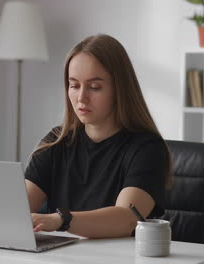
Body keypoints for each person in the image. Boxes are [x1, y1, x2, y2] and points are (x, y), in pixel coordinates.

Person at [24, 34, 172, 239]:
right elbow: (17, 209)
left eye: (94, 87)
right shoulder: (56, 141)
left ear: (119, 89)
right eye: (74, 85)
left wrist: (61, 220)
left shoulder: (147, 148)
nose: (81, 97)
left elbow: (127, 218)